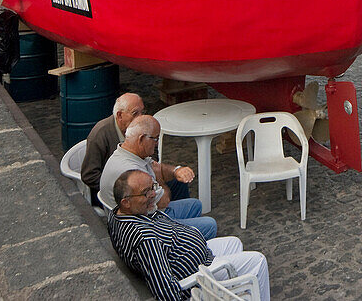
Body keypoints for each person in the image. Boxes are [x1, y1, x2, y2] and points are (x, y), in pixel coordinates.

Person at [109, 170, 270, 301]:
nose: (153, 194)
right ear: (126, 202)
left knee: (234, 243)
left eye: (152, 187)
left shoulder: (118, 214)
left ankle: (233, 291)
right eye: (146, 193)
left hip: (195, 254)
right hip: (198, 274)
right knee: (258, 261)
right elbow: (166, 291)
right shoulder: (144, 239)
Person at [100, 115, 216, 239]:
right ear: (141, 139)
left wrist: (176, 171)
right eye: (155, 139)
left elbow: (157, 168)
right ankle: (191, 247)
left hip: (145, 214)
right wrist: (159, 178)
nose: (157, 144)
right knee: (210, 224)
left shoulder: (127, 153)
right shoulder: (132, 171)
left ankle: (190, 237)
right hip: (148, 224)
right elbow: (163, 202)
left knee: (195, 204)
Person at [81, 93, 190, 206]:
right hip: (123, 194)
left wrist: (174, 171)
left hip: (144, 180)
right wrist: (120, 187)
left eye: (142, 112)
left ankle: (175, 216)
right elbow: (89, 175)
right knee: (161, 199)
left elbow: (152, 158)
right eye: (135, 113)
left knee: (179, 181)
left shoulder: (141, 128)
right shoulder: (100, 134)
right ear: (119, 115)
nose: (139, 117)